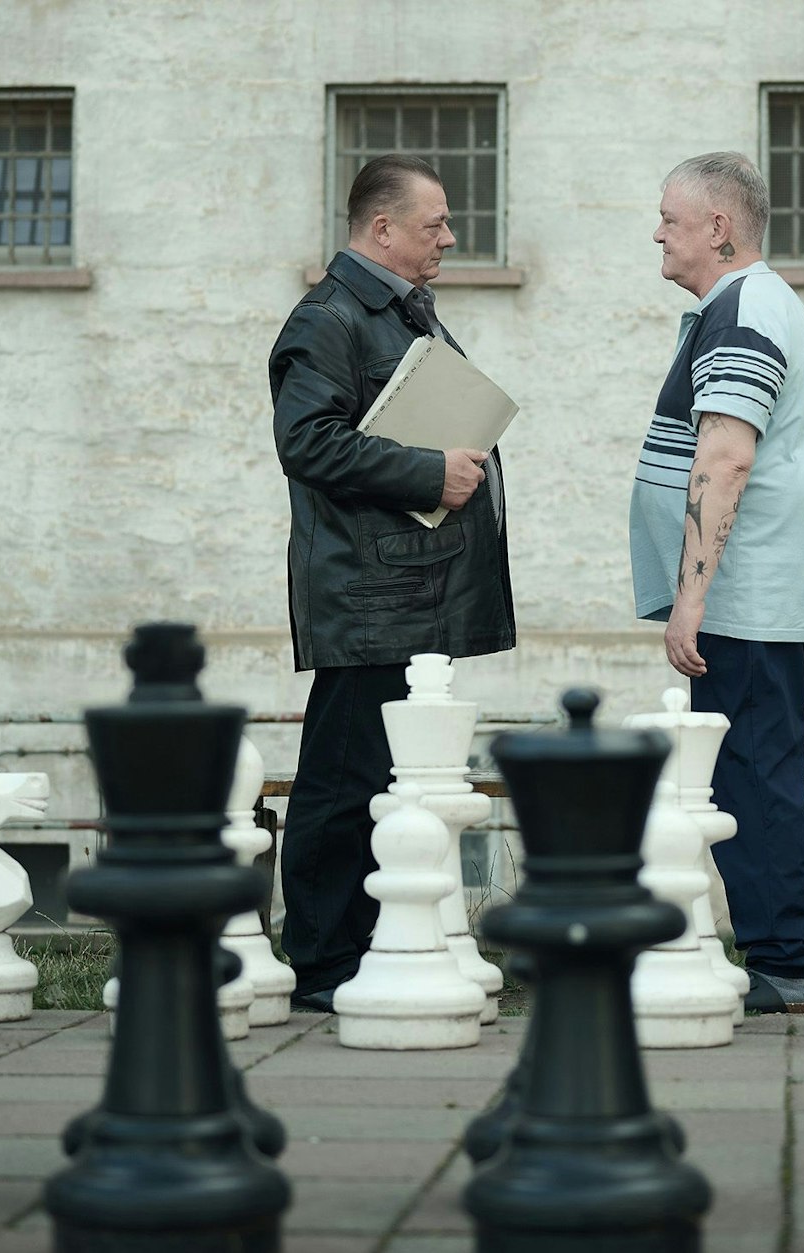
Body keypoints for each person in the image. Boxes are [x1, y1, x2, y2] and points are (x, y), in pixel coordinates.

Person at [268, 154, 514, 1012]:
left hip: (407, 596)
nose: (449, 236)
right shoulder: (331, 318)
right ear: (381, 230)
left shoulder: (399, 311)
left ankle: (373, 952)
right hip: (368, 601)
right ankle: (323, 967)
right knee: (342, 787)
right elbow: (307, 443)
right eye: (434, 223)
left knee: (385, 784)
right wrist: (427, 474)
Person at [629, 151, 804, 1013]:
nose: (658, 231)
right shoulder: (748, 306)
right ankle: (782, 960)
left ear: (717, 229)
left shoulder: (745, 308)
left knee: (752, 778)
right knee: (755, 773)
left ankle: (785, 968)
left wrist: (692, 598)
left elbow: (725, 458)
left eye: (670, 218)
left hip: (749, 602)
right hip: (759, 597)